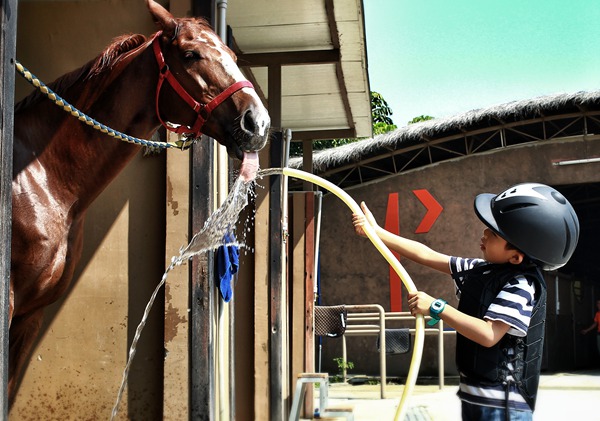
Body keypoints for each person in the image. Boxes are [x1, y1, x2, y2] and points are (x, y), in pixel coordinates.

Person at [352, 183, 579, 421]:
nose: (484, 234)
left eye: (494, 233)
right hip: (478, 397)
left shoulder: (521, 286)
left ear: (516, 256)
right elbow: (426, 254)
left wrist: (437, 307)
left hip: (502, 405)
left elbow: (489, 334)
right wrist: (375, 231)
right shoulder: (480, 270)